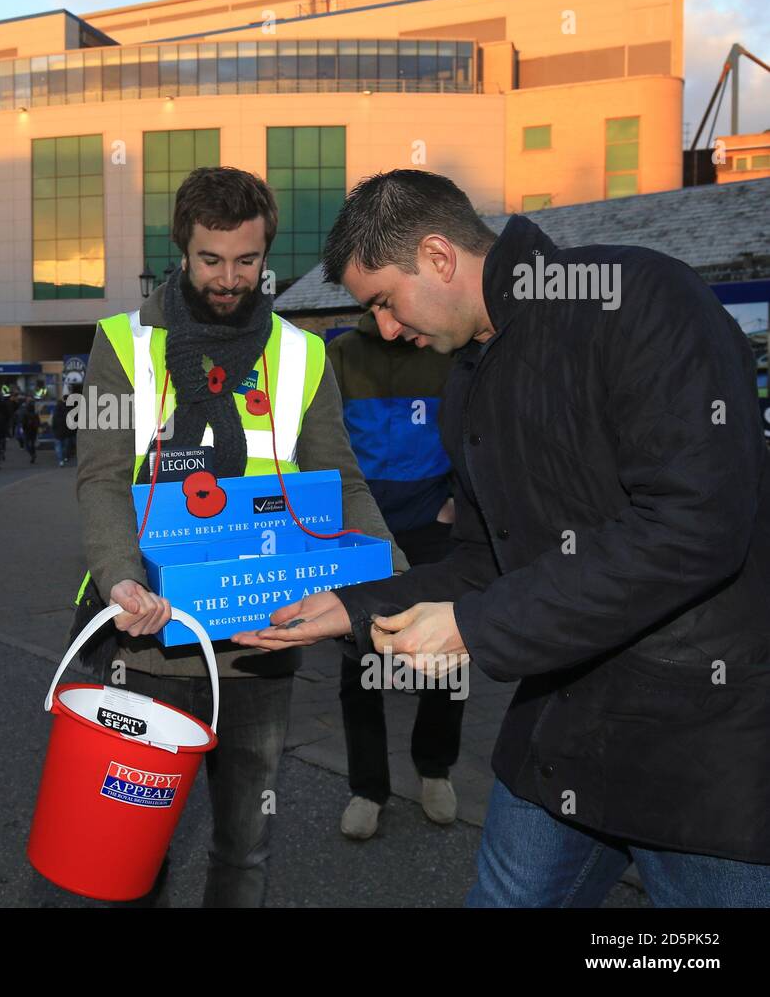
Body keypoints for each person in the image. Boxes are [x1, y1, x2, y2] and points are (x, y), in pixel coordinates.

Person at [232, 168, 770, 907]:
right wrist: (349, 607)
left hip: (701, 744)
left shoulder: (643, 297)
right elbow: (484, 564)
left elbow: (696, 524)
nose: (385, 328)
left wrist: (475, 629)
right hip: (564, 724)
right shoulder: (467, 384)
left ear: (440, 256)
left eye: (385, 300)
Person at [72, 166, 406, 907]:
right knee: (133, 846)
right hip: (146, 638)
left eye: (247, 261)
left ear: (268, 255)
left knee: (245, 846)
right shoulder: (119, 345)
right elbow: (99, 476)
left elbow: (342, 482)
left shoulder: (303, 353)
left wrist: (397, 582)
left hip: (260, 641)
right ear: (181, 251)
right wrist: (121, 576)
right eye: (211, 260)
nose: (229, 279)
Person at [327, 310, 463, 839]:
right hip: (361, 533)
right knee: (358, 659)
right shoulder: (340, 354)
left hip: (432, 525)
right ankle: (367, 787)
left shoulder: (445, 347)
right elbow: (319, 440)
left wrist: (456, 503)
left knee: (447, 656)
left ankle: (435, 768)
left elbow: (473, 433)